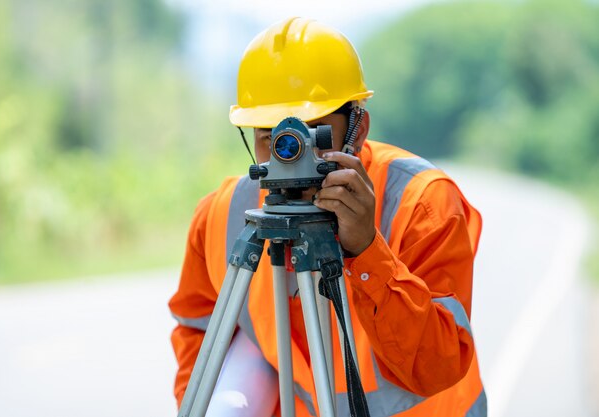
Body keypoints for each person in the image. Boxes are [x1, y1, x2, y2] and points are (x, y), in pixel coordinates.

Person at [169, 17, 486, 417]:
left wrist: (367, 250)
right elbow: (199, 339)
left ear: (359, 128)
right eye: (272, 138)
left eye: (310, 135)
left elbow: (437, 367)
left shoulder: (421, 204)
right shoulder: (223, 216)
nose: (289, 155)